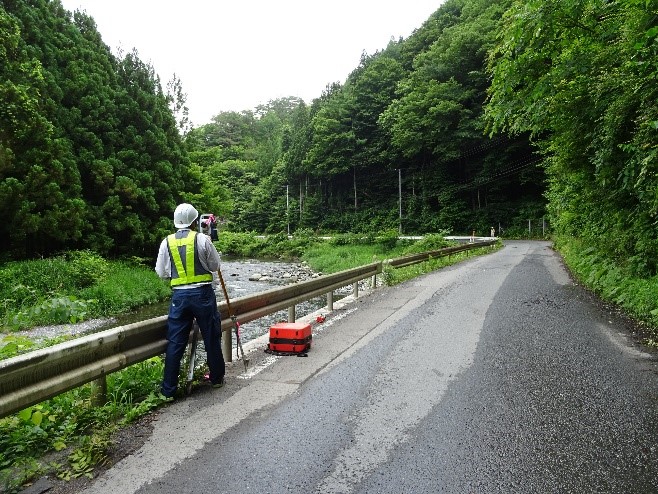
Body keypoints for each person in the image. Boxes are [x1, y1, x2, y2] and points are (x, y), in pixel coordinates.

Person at [155, 203, 225, 399]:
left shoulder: (166, 242)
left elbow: (161, 272)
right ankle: (217, 379)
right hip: (202, 295)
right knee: (211, 336)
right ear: (195, 221)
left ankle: (168, 391)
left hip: (179, 297)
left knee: (175, 342)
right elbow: (215, 266)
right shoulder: (202, 239)